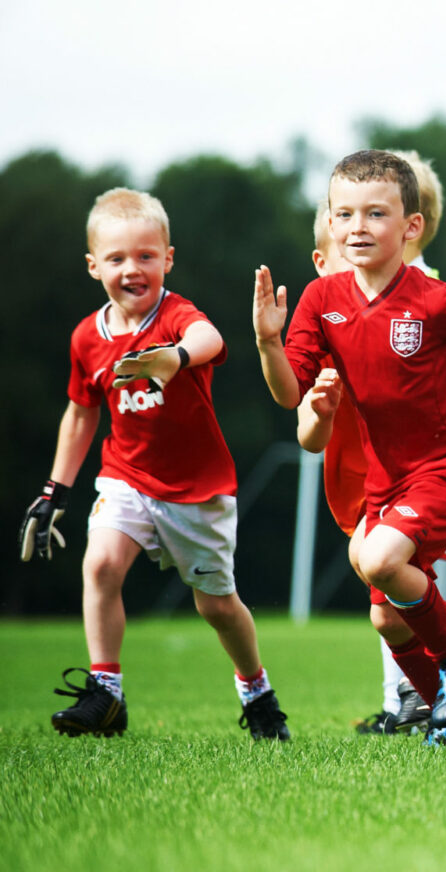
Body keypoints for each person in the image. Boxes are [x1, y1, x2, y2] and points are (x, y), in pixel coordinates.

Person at [253, 149, 446, 740]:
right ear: (328, 222)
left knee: (380, 560)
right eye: (344, 214)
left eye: (375, 214)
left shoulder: (436, 300)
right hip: (387, 474)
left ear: (411, 226)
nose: (357, 227)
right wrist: (269, 345)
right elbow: (288, 392)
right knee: (384, 611)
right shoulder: (322, 302)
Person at [22, 188, 289, 740]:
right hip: (127, 478)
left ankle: (256, 690)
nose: (132, 269)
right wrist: (55, 490)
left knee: (217, 607)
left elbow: (208, 337)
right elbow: (80, 415)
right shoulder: (85, 338)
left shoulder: (176, 317)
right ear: (94, 266)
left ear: (168, 259)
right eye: (117, 258)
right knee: (100, 566)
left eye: (146, 256)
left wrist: (177, 356)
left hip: (198, 491)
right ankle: (106, 693)